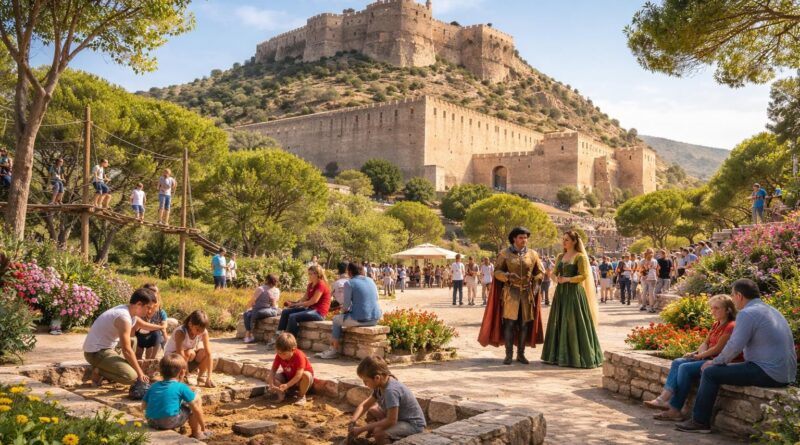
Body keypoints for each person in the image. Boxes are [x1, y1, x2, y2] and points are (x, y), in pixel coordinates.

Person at [676, 279, 796, 433]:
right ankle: (698, 420)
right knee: (713, 369)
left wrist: (715, 363)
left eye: (732, 295)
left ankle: (700, 422)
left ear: (739, 295)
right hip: (784, 373)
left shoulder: (748, 313)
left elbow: (734, 345)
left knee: (710, 373)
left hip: (767, 372)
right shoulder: (771, 310)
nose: (732, 299)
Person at [644, 295, 741, 421]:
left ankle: (674, 408)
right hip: (708, 358)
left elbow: (718, 349)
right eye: (712, 308)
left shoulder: (731, 326)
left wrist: (699, 356)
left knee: (685, 368)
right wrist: (694, 352)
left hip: (721, 362)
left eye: (717, 308)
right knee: (678, 362)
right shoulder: (716, 324)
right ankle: (663, 398)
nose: (713, 311)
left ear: (728, 310)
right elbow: (706, 343)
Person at [478, 227, 545, 365]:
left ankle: (521, 354)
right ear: (514, 238)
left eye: (526, 237)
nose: (524, 240)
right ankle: (508, 355)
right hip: (510, 293)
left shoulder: (533, 254)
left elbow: (540, 272)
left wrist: (535, 281)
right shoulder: (504, 254)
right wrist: (507, 276)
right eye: (521, 237)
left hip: (527, 294)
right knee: (509, 324)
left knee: (525, 324)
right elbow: (496, 272)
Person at [541, 231, 603, 369]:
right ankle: (558, 355)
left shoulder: (580, 257)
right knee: (560, 320)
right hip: (561, 293)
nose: (564, 242)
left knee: (574, 322)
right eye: (563, 239)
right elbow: (555, 273)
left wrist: (568, 279)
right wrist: (555, 278)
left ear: (575, 241)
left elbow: (584, 275)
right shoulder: (560, 256)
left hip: (574, 293)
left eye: (567, 240)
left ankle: (577, 356)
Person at [83, 287, 155, 387]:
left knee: (132, 340)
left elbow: (143, 325)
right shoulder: (123, 317)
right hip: (95, 352)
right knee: (131, 377)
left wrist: (161, 327)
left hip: (108, 348)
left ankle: (114, 367)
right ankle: (99, 371)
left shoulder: (129, 312)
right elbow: (126, 350)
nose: (150, 311)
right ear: (139, 304)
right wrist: (140, 373)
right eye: (148, 307)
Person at [349, 356, 426, 444]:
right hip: (398, 418)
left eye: (366, 381)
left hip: (412, 425)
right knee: (372, 411)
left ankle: (388, 440)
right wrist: (353, 421)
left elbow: (391, 420)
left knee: (379, 432)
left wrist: (361, 429)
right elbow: (365, 405)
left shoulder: (391, 391)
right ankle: (381, 435)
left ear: (377, 378)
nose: (365, 384)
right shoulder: (380, 385)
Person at [318, 262, 383, 359]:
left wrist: (343, 313)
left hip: (361, 319)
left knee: (336, 320)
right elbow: (376, 297)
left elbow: (346, 305)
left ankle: (333, 350)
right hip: (375, 318)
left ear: (349, 272)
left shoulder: (349, 283)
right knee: (342, 318)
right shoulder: (371, 280)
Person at [143, 353, 212, 440]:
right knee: (194, 401)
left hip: (151, 421)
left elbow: (143, 406)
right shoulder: (181, 387)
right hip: (168, 422)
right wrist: (203, 427)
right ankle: (197, 433)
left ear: (160, 371)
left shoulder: (154, 385)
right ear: (182, 372)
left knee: (177, 402)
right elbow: (196, 409)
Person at [269, 264, 331, 344]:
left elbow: (313, 301)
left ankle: (291, 342)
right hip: (310, 309)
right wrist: (294, 302)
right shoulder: (310, 285)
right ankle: (279, 334)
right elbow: (304, 298)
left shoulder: (321, 284)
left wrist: (295, 305)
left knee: (293, 317)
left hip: (319, 313)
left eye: (311, 274)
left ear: (317, 274)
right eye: (309, 274)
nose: (309, 276)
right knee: (285, 312)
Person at [164, 310, 215, 388]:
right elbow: (179, 354)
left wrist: (209, 377)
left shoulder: (203, 332)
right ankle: (185, 376)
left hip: (188, 361)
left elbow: (209, 354)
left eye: (202, 330)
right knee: (190, 353)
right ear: (190, 324)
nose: (200, 333)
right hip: (172, 362)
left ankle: (201, 376)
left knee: (204, 352)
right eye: (197, 330)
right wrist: (187, 374)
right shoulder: (180, 332)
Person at [267, 332, 314, 405]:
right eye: (279, 353)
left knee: (305, 375)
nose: (281, 356)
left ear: (293, 350)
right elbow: (273, 370)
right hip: (289, 378)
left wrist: (287, 385)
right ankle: (282, 394)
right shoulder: (279, 355)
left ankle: (301, 396)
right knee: (272, 377)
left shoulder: (299, 356)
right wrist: (270, 382)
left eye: (284, 354)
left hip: (302, 382)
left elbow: (299, 375)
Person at [242, 274, 281, 344]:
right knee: (248, 314)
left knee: (248, 313)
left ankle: (248, 335)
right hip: (269, 310)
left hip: (261, 311)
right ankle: (248, 336)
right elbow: (274, 303)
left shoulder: (261, 289)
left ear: (266, 280)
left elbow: (252, 301)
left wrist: (247, 308)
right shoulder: (277, 290)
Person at [135, 284, 169, 360]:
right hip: (139, 336)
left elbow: (164, 328)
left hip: (152, 338)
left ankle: (150, 362)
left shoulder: (160, 312)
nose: (153, 294)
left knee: (150, 357)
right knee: (138, 356)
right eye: (150, 292)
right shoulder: (139, 309)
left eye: (155, 292)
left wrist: (166, 343)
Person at [640, 249, 659, 313]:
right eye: (650, 253)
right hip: (650, 277)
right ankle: (650, 307)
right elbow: (641, 269)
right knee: (648, 293)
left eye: (651, 253)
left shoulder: (652, 260)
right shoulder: (654, 260)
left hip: (649, 278)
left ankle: (647, 306)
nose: (651, 254)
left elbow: (641, 269)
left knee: (647, 292)